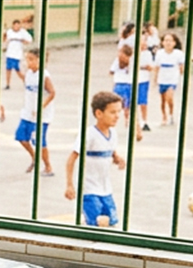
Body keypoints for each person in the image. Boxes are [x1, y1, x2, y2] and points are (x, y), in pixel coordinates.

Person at [64, 92, 126, 227]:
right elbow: (72, 159)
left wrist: (117, 158)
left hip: (105, 189)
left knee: (112, 222)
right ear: (99, 114)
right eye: (112, 112)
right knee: (96, 223)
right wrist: (70, 184)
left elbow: (110, 151)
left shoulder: (113, 133)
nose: (117, 116)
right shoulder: (89, 134)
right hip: (89, 190)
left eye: (119, 112)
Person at [16, 47, 56, 175]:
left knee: (39, 141)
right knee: (21, 136)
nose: (29, 62)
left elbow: (52, 93)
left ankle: (48, 166)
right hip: (27, 112)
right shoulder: (29, 73)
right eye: (27, 59)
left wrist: (41, 107)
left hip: (42, 115)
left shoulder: (44, 76)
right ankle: (34, 157)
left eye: (32, 60)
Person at [155, 31, 184, 126]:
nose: (168, 43)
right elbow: (157, 67)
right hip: (162, 78)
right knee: (162, 100)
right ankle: (164, 116)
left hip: (172, 79)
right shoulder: (159, 53)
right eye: (166, 40)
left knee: (169, 97)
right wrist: (155, 79)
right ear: (162, 42)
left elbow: (181, 67)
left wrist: (181, 75)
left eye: (170, 41)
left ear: (174, 43)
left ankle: (171, 114)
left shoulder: (178, 54)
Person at [2, 18, 33, 90]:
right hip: (9, 54)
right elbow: (5, 40)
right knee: (8, 69)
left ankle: (26, 81)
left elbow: (29, 40)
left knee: (18, 70)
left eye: (17, 26)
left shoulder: (23, 32)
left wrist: (24, 41)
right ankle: (7, 84)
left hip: (17, 54)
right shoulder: (9, 32)